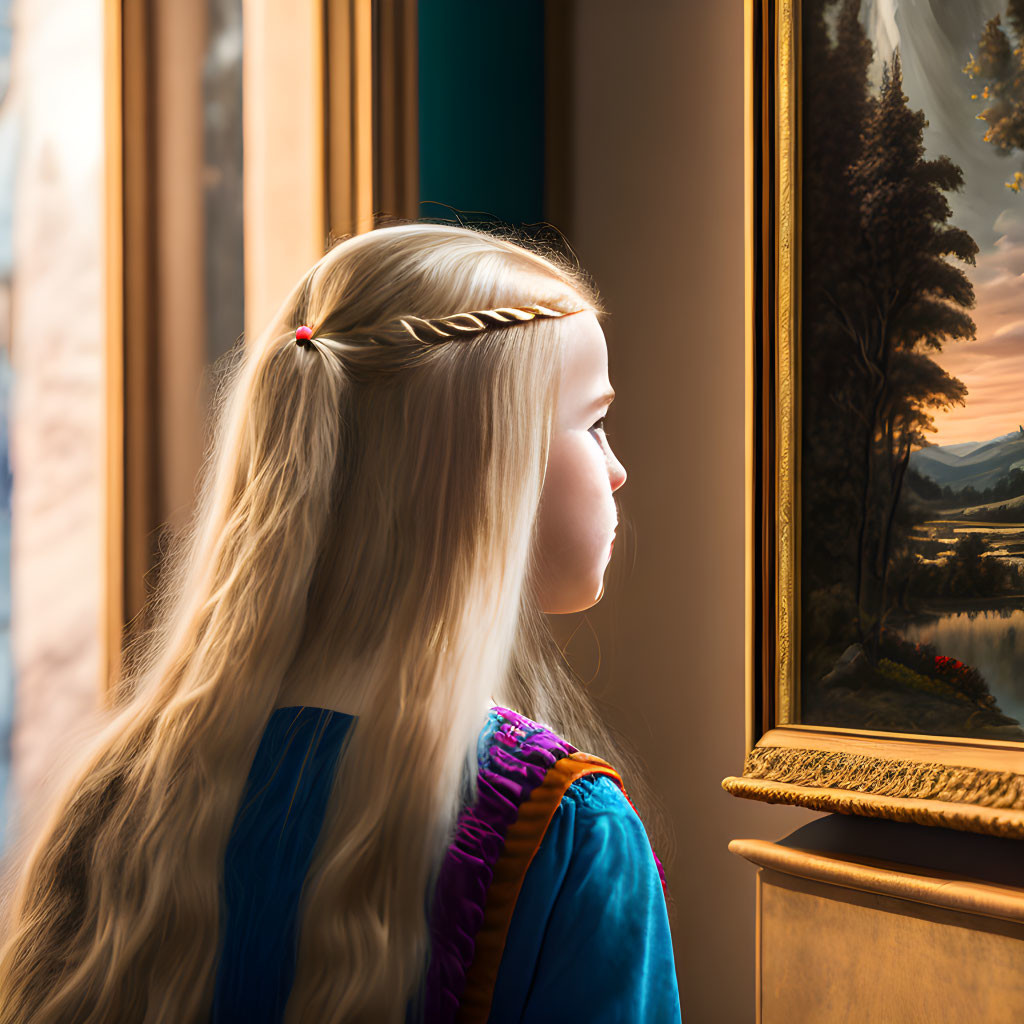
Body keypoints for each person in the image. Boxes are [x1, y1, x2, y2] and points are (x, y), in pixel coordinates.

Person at [0, 223, 680, 1022]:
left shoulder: (119, 794)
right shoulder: (567, 837)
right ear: (479, 465)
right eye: (592, 424)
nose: (617, 468)